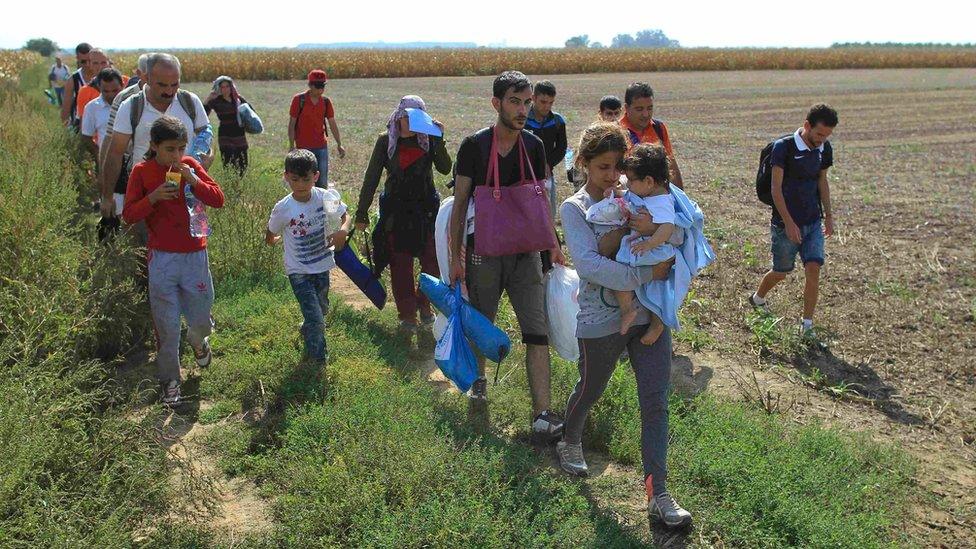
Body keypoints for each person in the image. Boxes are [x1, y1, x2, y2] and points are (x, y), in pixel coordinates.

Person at [557, 122, 692, 528]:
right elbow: (590, 266)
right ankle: (570, 438)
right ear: (582, 164)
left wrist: (655, 234)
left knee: (656, 401)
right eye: (603, 167)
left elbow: (678, 230)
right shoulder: (574, 209)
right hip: (602, 319)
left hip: (649, 315)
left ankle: (659, 493)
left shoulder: (638, 197)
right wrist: (647, 275)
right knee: (590, 389)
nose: (613, 176)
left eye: (618, 167)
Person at [448, 70, 566, 437]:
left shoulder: (535, 145)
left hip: (527, 253)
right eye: (515, 101)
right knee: (482, 323)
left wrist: (553, 244)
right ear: (496, 103)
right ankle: (479, 388)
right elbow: (460, 202)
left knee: (537, 330)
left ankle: (542, 414)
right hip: (484, 252)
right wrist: (455, 257)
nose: (523, 109)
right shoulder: (475, 146)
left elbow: (543, 198)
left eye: (527, 102)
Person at [122, 116, 225, 407]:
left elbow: (218, 199)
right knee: (166, 326)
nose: (176, 156)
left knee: (201, 318)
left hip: (195, 255)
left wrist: (194, 179)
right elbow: (129, 215)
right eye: (169, 149)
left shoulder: (191, 166)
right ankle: (170, 381)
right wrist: (153, 198)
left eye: (181, 148)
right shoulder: (142, 172)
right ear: (154, 146)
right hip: (162, 259)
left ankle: (198, 340)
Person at [355, 95, 450, 346]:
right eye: (404, 116)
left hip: (426, 212)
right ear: (397, 116)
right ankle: (407, 316)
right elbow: (371, 177)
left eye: (414, 117)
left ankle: (425, 305)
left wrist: (440, 140)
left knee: (432, 263)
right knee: (401, 266)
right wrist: (362, 212)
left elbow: (444, 168)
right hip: (396, 214)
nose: (407, 122)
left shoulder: (428, 140)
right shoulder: (386, 141)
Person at [749, 104, 838, 336]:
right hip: (784, 225)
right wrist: (788, 222)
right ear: (807, 125)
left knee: (813, 269)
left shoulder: (824, 148)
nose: (822, 139)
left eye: (827, 135)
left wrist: (828, 216)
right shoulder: (784, 148)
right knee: (781, 272)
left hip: (812, 222)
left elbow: (822, 182)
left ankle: (806, 326)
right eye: (819, 134)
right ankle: (758, 298)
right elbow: (775, 189)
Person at [585, 143, 679, 345]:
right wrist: (616, 194)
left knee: (653, 285)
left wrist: (650, 242)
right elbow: (628, 196)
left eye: (631, 180)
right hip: (643, 246)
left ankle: (654, 321)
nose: (626, 183)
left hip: (653, 250)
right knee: (641, 279)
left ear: (648, 180)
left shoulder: (661, 201)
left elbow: (668, 228)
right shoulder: (645, 192)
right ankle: (632, 312)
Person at [101, 53, 209, 221]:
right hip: (144, 195)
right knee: (141, 244)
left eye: (175, 84)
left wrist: (207, 159)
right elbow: (115, 153)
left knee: (184, 244)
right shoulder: (131, 106)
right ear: (146, 78)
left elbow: (206, 136)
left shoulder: (190, 102)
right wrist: (107, 197)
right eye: (162, 85)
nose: (169, 91)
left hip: (185, 196)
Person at [267, 149, 351, 364]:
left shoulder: (325, 198)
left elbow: (344, 216)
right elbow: (271, 232)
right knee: (316, 318)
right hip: (299, 272)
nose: (301, 185)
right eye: (295, 179)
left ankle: (307, 327)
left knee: (321, 308)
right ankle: (317, 359)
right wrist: (272, 241)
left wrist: (343, 230)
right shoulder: (283, 208)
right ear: (286, 177)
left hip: (322, 266)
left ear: (315, 176)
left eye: (306, 179)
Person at [620, 82, 685, 189]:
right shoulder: (618, 132)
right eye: (639, 109)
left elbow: (671, 164)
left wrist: (680, 198)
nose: (646, 114)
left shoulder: (659, 128)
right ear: (626, 108)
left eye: (649, 108)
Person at [288, 69, 346, 187]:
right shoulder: (299, 100)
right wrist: (291, 146)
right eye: (317, 86)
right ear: (310, 85)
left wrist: (339, 144)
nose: (320, 89)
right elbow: (292, 124)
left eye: (323, 86)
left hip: (321, 146)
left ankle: (321, 205)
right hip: (302, 147)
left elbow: (332, 123)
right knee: (303, 180)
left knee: (322, 181)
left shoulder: (325, 102)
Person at [525, 80, 567, 219]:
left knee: (549, 213)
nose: (547, 106)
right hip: (525, 174)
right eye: (543, 102)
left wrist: (548, 163)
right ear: (533, 98)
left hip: (547, 174)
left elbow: (561, 148)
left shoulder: (557, 121)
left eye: (551, 102)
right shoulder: (522, 120)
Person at [205, 76, 250, 175]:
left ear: (231, 87)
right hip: (225, 136)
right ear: (218, 88)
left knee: (243, 164)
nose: (225, 89)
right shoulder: (216, 101)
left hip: (240, 135)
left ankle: (240, 188)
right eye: (222, 87)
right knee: (229, 164)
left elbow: (250, 112)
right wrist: (208, 98)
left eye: (227, 86)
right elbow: (203, 114)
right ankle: (231, 187)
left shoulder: (237, 99)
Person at [80, 68, 125, 161]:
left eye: (115, 90)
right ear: (99, 88)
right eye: (106, 91)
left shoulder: (132, 104)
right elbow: (86, 136)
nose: (111, 95)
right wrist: (99, 155)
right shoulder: (92, 108)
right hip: (106, 160)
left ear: (123, 86)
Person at [74, 49, 117, 124]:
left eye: (103, 62)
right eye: (95, 63)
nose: (100, 67)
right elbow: (84, 123)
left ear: (108, 62)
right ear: (89, 64)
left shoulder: (125, 82)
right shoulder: (85, 91)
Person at [61, 42, 95, 129]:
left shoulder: (103, 75)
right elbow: (66, 107)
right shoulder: (73, 80)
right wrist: (66, 131)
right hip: (80, 127)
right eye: (83, 61)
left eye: (90, 61)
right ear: (77, 59)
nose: (87, 64)